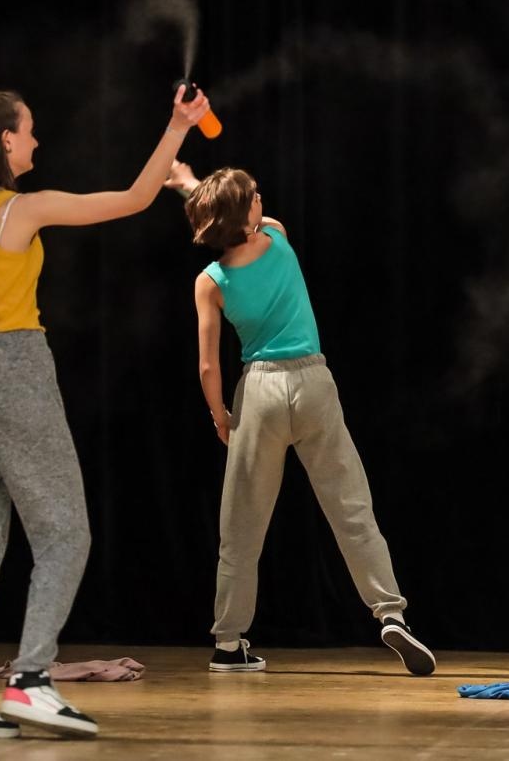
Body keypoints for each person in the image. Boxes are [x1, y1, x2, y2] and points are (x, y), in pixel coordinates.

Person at [0, 86, 211, 738]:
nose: (37, 141)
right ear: (5, 142)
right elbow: (135, 198)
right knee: (65, 532)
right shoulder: (19, 210)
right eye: (29, 131)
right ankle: (29, 681)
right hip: (14, 369)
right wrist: (176, 126)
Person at [168, 160, 435, 676]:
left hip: (260, 390)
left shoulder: (209, 280)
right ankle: (390, 612)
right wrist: (189, 183)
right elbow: (235, 211)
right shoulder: (277, 237)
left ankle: (228, 642)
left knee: (241, 525)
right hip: (313, 382)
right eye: (254, 196)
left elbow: (206, 363)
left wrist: (220, 415)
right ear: (247, 214)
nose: (261, 201)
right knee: (351, 506)